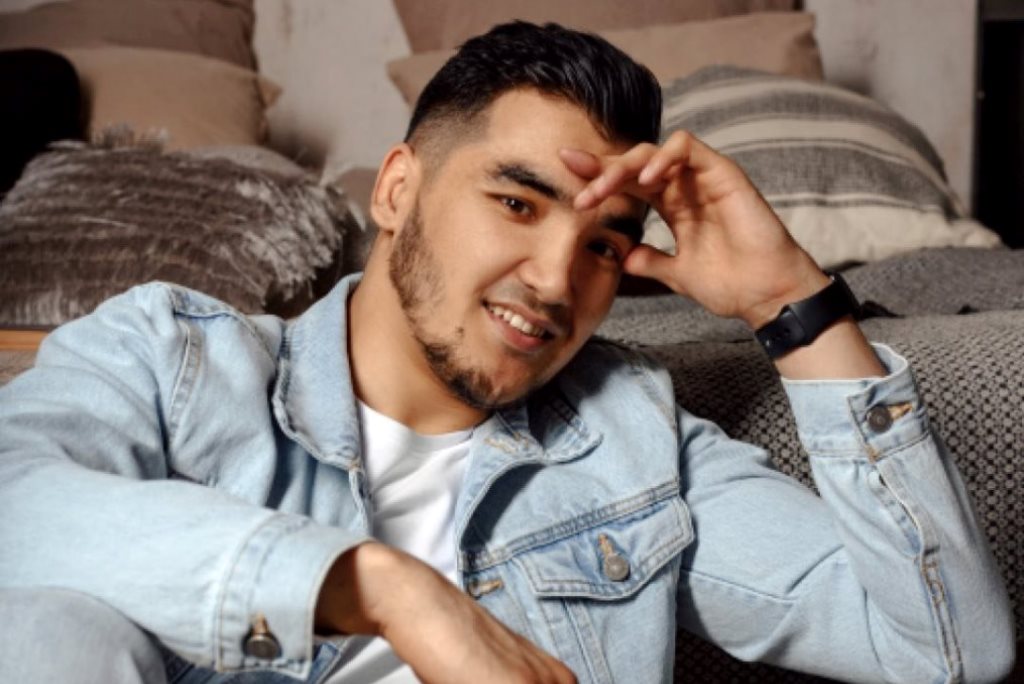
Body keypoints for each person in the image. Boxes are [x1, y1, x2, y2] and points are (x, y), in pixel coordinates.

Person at [0, 21, 1015, 684]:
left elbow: (947, 649)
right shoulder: (174, 362)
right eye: (517, 204)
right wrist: (386, 590)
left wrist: (793, 303)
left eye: (604, 245)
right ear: (395, 188)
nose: (555, 280)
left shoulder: (632, 444)